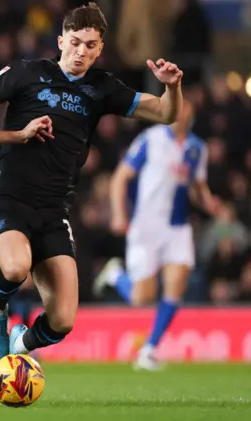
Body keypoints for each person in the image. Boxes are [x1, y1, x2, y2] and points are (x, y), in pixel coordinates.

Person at [0, 2, 186, 361]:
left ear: (99, 49)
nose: (81, 51)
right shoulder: (27, 72)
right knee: (15, 268)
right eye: (75, 42)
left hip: (54, 209)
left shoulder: (101, 88)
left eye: (90, 45)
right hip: (9, 198)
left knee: (62, 321)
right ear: (61, 40)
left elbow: (167, 113)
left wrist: (174, 88)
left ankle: (20, 347)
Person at [93, 100, 220, 371]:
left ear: (190, 113)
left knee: (177, 284)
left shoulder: (197, 148)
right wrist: (119, 214)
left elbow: (197, 186)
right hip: (147, 225)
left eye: (184, 108)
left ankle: (149, 349)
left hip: (178, 227)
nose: (179, 113)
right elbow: (120, 177)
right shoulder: (150, 139)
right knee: (142, 297)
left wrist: (208, 202)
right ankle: (116, 275)